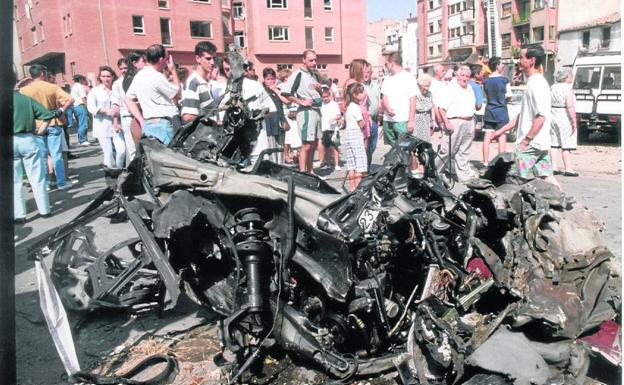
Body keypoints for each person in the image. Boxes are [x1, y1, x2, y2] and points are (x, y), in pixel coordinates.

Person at [491, 44, 561, 190]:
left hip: (531, 145)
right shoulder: (533, 83)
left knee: (517, 180)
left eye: (521, 57)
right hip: (539, 144)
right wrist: (501, 130)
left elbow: (541, 116)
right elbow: (523, 115)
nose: (518, 60)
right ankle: (563, 201)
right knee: (546, 176)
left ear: (532, 61)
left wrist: (526, 141)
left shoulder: (537, 84)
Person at [20, 64, 75, 190]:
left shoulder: (24, 91)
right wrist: (61, 110)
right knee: (56, 155)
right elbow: (70, 99)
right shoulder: (52, 87)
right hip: (53, 123)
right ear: (42, 74)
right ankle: (61, 182)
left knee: (42, 156)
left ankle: (45, 183)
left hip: (36, 126)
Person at [14, 74, 57, 222]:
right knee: (37, 177)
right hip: (27, 138)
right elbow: (47, 115)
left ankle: (19, 215)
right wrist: (41, 130)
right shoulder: (26, 100)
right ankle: (44, 210)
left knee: (14, 180)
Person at [125, 44, 181, 145]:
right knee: (169, 158)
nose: (168, 61)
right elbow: (177, 94)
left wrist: (141, 120)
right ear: (161, 60)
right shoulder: (156, 76)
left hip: (148, 124)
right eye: (167, 58)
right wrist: (173, 70)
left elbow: (128, 99)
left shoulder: (139, 75)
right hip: (162, 125)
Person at [281, 49, 323, 174]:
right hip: (306, 112)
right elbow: (286, 93)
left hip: (316, 111)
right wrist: (300, 102)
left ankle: (311, 172)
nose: (314, 62)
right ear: (303, 60)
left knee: (314, 144)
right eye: (311, 60)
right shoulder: (298, 73)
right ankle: (302, 172)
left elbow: (318, 93)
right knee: (306, 145)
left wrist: (320, 90)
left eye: (315, 60)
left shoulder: (314, 74)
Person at [435, 65, 478, 183]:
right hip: (454, 121)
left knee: (464, 151)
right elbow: (441, 108)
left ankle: (463, 176)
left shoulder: (470, 89)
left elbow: (472, 108)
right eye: (463, 75)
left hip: (469, 121)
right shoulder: (451, 88)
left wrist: (473, 124)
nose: (465, 78)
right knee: (447, 150)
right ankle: (435, 172)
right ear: (457, 76)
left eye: (467, 76)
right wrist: (446, 123)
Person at [88, 66, 126, 169]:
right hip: (102, 125)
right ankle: (109, 176)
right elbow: (91, 107)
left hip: (117, 124)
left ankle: (119, 171)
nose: (106, 79)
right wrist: (105, 111)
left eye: (108, 76)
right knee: (108, 154)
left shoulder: (117, 88)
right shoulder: (95, 91)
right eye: (103, 76)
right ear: (99, 77)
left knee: (121, 150)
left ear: (113, 76)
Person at [380, 52, 418, 146]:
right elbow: (384, 96)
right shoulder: (387, 78)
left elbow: (413, 100)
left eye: (386, 64)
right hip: (388, 120)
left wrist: (411, 121)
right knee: (393, 149)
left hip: (402, 120)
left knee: (405, 148)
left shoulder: (409, 77)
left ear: (392, 63)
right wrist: (388, 108)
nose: (386, 66)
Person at [482, 57, 512, 164]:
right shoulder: (505, 80)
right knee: (502, 136)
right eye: (502, 64)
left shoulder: (486, 81)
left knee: (487, 137)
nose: (503, 66)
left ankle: (485, 162)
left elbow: (486, 95)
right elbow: (509, 96)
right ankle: (501, 162)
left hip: (489, 111)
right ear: (498, 66)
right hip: (501, 112)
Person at [550, 68, 579, 176]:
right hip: (564, 114)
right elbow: (570, 105)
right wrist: (574, 121)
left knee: (554, 142)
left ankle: (554, 166)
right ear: (567, 77)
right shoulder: (567, 88)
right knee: (566, 142)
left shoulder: (553, 87)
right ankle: (569, 168)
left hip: (553, 113)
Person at [181, 41, 217, 123]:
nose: (212, 62)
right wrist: (211, 121)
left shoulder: (205, 81)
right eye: (208, 58)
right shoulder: (193, 83)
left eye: (214, 58)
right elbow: (188, 116)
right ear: (198, 58)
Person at [344, 59, 372, 164]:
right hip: (359, 116)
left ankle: (363, 171)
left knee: (365, 147)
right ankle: (361, 172)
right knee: (361, 148)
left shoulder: (358, 82)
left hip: (363, 114)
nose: (366, 70)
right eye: (364, 68)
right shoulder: (353, 83)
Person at [111, 58, 138, 165]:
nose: (123, 70)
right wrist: (116, 122)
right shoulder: (117, 84)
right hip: (126, 116)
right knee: (131, 148)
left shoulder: (136, 80)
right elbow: (115, 103)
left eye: (125, 68)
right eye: (121, 68)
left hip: (139, 115)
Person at [342, 83, 368, 191]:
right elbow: (361, 124)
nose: (363, 94)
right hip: (356, 134)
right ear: (354, 94)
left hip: (348, 134)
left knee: (351, 164)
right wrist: (366, 120)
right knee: (360, 163)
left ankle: (352, 187)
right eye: (360, 92)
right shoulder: (356, 107)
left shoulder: (348, 107)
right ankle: (358, 188)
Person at [262, 67, 290, 164]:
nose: (270, 81)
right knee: (271, 146)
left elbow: (287, 101)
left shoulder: (279, 89)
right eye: (268, 79)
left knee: (280, 146)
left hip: (280, 120)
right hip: (268, 121)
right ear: (264, 79)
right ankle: (273, 166)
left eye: (272, 79)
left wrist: (276, 91)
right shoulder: (262, 90)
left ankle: (281, 165)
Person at [277, 68, 302, 164]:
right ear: (285, 78)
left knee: (296, 136)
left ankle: (295, 154)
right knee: (289, 136)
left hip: (295, 112)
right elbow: (286, 100)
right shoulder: (281, 87)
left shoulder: (292, 86)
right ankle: (286, 155)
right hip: (287, 113)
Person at [363, 62, 381, 166]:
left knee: (372, 146)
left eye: (368, 72)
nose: (366, 74)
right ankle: (365, 168)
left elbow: (379, 101)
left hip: (374, 120)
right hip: (364, 120)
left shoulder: (376, 85)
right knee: (365, 146)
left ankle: (367, 165)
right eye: (364, 72)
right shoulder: (359, 86)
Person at [320, 86, 342, 170]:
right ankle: (328, 163)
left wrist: (334, 119)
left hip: (333, 129)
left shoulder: (334, 104)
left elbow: (339, 115)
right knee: (326, 147)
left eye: (326, 96)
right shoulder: (321, 105)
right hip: (325, 128)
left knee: (335, 146)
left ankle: (336, 164)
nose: (325, 98)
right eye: (323, 97)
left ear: (330, 96)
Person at [71, 74, 90, 146]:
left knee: (80, 123)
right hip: (81, 105)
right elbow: (83, 98)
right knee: (83, 123)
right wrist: (87, 107)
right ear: (81, 80)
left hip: (75, 106)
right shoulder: (80, 87)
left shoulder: (73, 87)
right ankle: (83, 140)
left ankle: (80, 139)